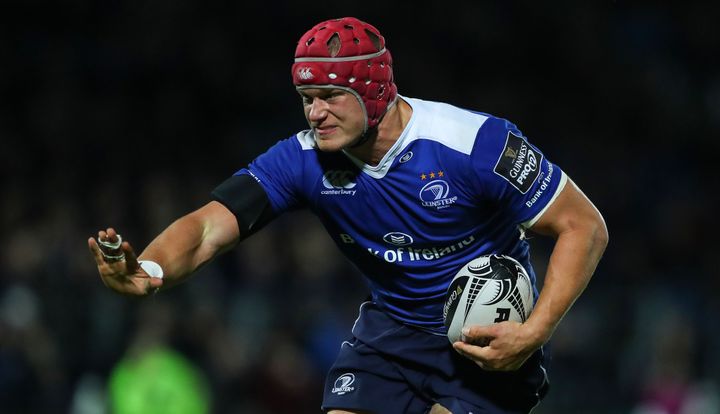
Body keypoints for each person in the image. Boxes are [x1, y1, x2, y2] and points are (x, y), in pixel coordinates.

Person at [88, 17, 608, 414]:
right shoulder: (302, 158)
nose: (315, 113)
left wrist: (534, 332)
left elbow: (583, 226)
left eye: (331, 96)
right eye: (306, 98)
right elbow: (207, 227)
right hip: (391, 333)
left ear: (376, 89)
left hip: (484, 340)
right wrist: (150, 270)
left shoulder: (474, 143)